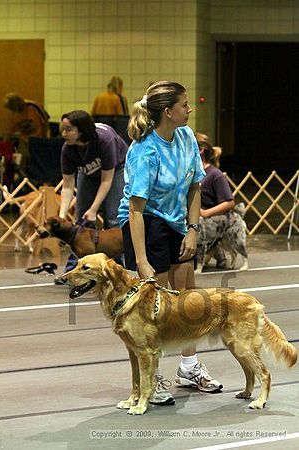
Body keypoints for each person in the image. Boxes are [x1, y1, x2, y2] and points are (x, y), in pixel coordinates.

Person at [118, 81, 222, 406]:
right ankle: (154, 375)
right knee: (157, 307)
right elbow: (135, 210)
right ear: (168, 112)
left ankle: (189, 368)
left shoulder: (187, 137)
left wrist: (193, 229)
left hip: (178, 217)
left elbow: (195, 187)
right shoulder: (144, 152)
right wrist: (142, 261)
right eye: (185, 105)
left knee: (186, 298)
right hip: (145, 223)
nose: (190, 109)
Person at [54, 110, 128, 284]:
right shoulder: (68, 148)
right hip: (87, 172)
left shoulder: (105, 140)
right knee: (81, 223)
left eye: (68, 129)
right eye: (63, 129)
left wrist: (94, 209)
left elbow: (106, 180)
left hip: (115, 171)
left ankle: (116, 272)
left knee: (113, 218)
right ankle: (75, 270)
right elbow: (67, 185)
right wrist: (62, 216)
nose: (63, 133)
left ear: (82, 131)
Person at [195, 133, 235, 268]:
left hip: (208, 219)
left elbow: (229, 202)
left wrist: (206, 213)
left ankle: (214, 249)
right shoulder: (190, 172)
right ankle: (216, 252)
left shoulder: (214, 174)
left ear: (201, 150)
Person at [3, 92, 50, 174]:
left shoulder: (33, 108)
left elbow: (43, 126)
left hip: (38, 141)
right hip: (24, 141)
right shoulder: (15, 113)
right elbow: (10, 129)